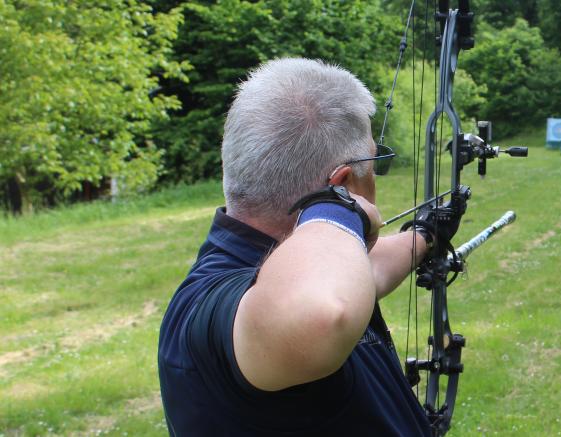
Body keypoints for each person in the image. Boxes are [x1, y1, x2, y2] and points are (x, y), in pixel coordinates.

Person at [158, 58, 456, 435]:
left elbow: (366, 269)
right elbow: (320, 311)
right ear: (343, 182)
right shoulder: (216, 304)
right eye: (374, 160)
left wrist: (425, 235)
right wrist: (339, 207)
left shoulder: (281, 258)